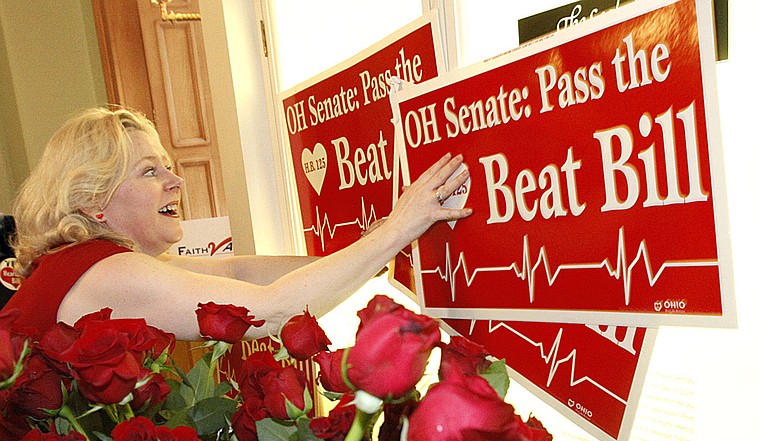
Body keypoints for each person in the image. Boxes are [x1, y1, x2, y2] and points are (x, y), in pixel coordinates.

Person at [6, 106, 470, 340]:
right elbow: (268, 309)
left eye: (168, 166)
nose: (175, 181)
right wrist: (398, 229)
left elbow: (235, 272)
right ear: (93, 201)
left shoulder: (86, 262)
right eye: (150, 171)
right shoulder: (108, 271)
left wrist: (369, 254)